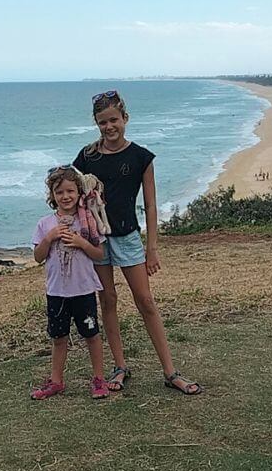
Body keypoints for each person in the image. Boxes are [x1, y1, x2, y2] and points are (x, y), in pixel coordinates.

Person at [72, 90, 202, 395]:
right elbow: (71, 192)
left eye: (113, 120)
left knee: (145, 302)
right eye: (102, 122)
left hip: (129, 238)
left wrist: (152, 248)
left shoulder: (141, 157)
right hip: (98, 240)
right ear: (96, 123)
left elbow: (152, 205)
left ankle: (171, 372)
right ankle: (119, 368)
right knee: (108, 301)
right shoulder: (87, 156)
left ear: (125, 119)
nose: (108, 127)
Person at [30, 166, 109, 400]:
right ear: (52, 196)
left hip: (83, 289)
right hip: (57, 292)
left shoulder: (88, 221)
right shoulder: (45, 224)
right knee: (59, 337)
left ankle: (98, 379)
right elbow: (37, 256)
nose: (65, 197)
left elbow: (99, 253)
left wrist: (80, 242)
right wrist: (49, 238)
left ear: (79, 192)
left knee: (91, 334)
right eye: (59, 192)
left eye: (70, 191)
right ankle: (56, 381)